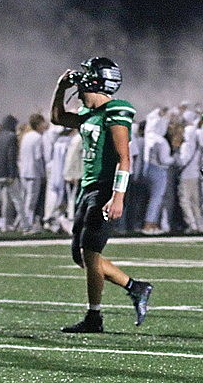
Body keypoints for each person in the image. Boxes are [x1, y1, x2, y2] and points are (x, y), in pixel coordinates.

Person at [50, 57, 153, 333]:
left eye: (84, 79)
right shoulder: (89, 115)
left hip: (106, 189)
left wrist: (117, 195)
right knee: (80, 255)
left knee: (91, 252)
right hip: (88, 187)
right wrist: (60, 88)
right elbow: (57, 117)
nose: (79, 85)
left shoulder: (116, 110)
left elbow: (124, 158)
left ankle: (94, 317)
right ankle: (135, 287)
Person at [18, 113, 47, 234]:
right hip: (33, 172)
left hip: (24, 171)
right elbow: (38, 157)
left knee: (24, 198)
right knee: (31, 200)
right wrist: (43, 173)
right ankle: (27, 224)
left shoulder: (26, 136)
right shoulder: (38, 137)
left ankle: (22, 222)